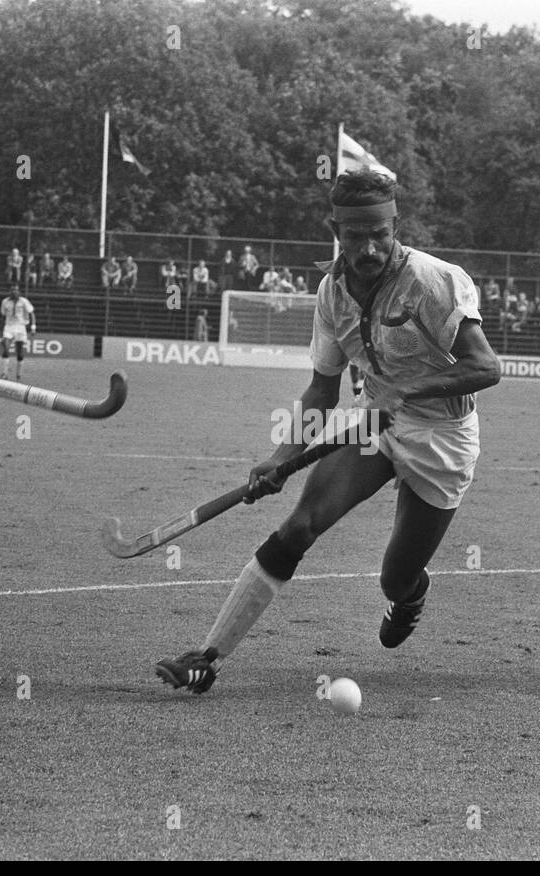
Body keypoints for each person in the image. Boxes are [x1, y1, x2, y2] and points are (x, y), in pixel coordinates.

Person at [154, 170, 501, 694]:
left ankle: (408, 595)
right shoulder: (330, 293)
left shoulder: (433, 281)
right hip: (374, 423)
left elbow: (486, 367)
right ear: (334, 229)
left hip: (443, 440)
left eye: (380, 233)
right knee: (299, 527)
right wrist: (281, 456)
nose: (369, 247)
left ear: (395, 225)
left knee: (395, 576)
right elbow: (321, 390)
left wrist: (408, 391)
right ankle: (206, 657)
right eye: (355, 234)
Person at [0, 284, 35, 380]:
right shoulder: (5, 302)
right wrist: (1, 331)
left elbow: (31, 313)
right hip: (9, 327)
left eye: (16, 290)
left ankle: (18, 374)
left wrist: (33, 327)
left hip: (20, 327)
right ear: (10, 291)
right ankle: (4, 373)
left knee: (19, 352)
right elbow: (3, 316)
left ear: (19, 291)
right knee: (5, 347)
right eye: (12, 290)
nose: (14, 291)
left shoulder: (24, 301)